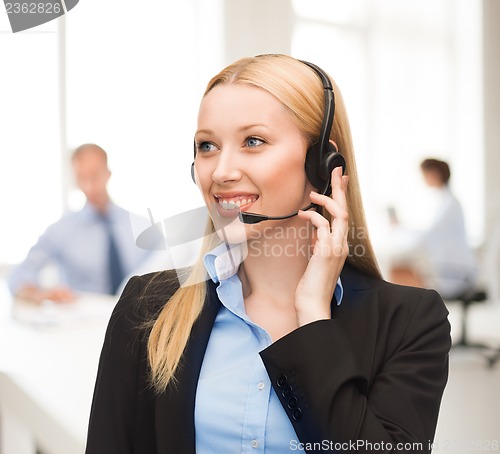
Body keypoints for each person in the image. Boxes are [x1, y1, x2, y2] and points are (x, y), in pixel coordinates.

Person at [85, 55, 450, 453]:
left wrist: (312, 317)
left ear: (322, 163)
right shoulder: (148, 307)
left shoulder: (410, 323)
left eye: (253, 142)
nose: (221, 171)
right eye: (207, 146)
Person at [8, 143, 152, 303]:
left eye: (95, 175)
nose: (89, 186)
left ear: (108, 174)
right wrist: (37, 294)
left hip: (136, 318)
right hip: (83, 322)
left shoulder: (142, 227)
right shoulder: (61, 230)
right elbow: (20, 274)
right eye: (81, 177)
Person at [388, 158, 476, 299]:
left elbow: (427, 237)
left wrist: (399, 229)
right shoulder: (446, 202)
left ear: (434, 174)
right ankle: (417, 314)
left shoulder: (450, 205)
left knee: (398, 271)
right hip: (448, 269)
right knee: (401, 271)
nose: (423, 179)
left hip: (455, 274)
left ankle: (418, 316)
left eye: (424, 174)